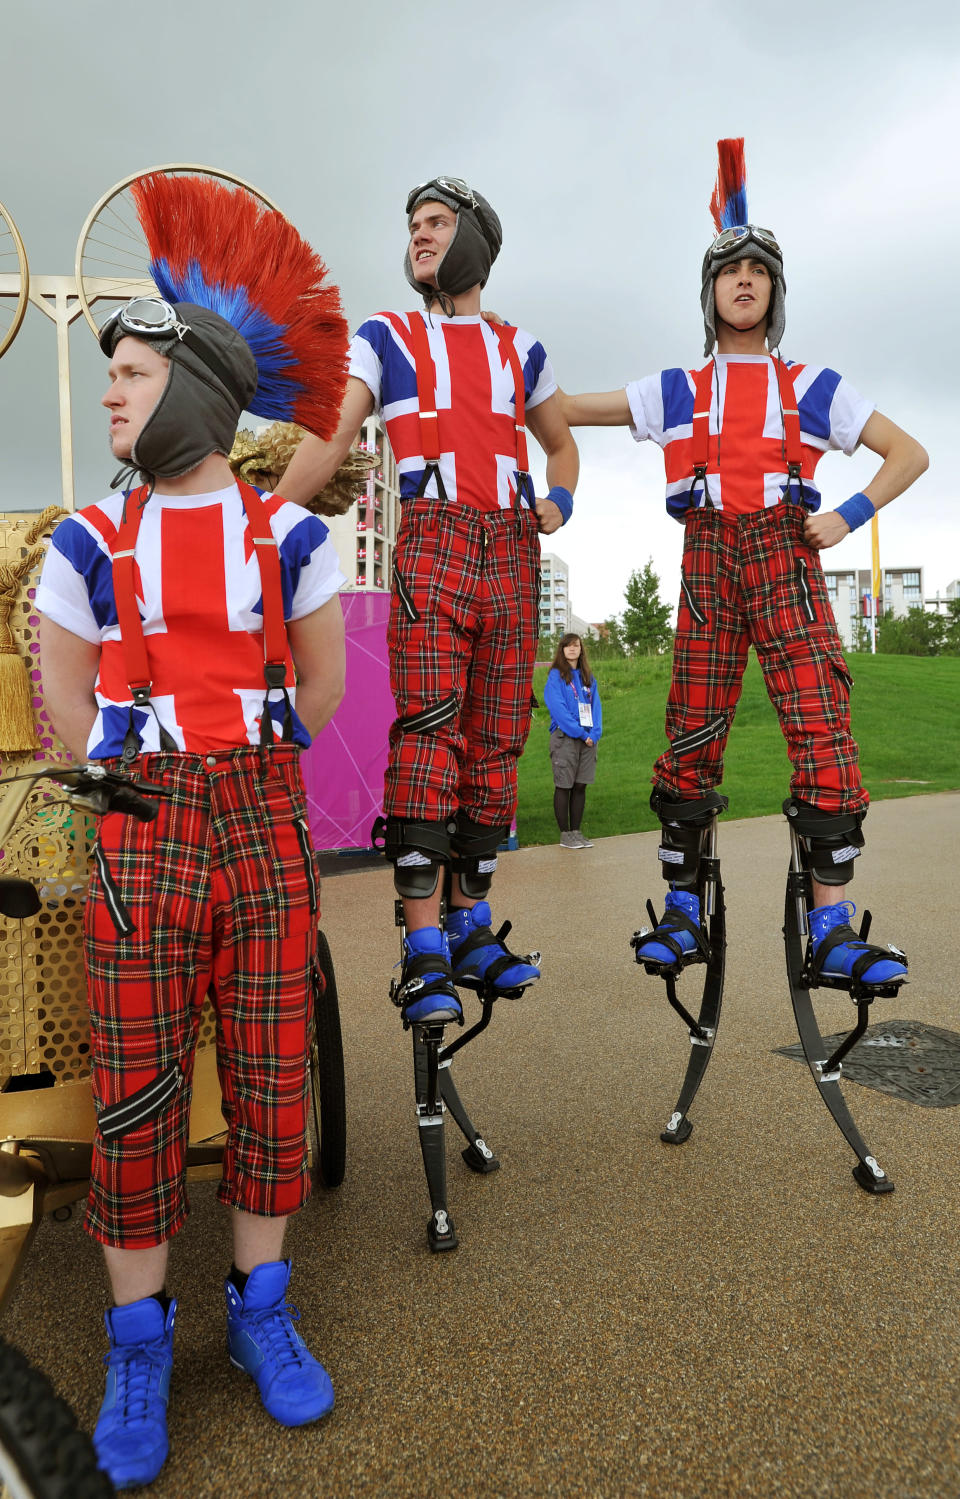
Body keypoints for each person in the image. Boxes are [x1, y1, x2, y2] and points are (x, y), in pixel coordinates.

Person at [36, 173, 349, 1490]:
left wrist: (245, 761)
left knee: (277, 1077)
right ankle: (140, 1336)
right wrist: (128, 776)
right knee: (139, 1090)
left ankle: (262, 1307)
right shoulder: (87, 539)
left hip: (262, 828)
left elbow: (323, 688)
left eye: (128, 370)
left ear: (197, 387)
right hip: (141, 836)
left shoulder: (290, 535)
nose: (110, 391)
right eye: (105, 372)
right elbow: (62, 702)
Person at [557, 139, 927, 985]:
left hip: (787, 557)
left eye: (761, 269)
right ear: (710, 292)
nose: (746, 279)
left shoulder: (812, 384)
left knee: (823, 730)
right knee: (690, 731)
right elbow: (574, 407)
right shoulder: (680, 388)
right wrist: (507, 379)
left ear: (777, 291)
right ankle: (684, 910)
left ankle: (832, 927)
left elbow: (908, 452)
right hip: (708, 559)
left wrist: (847, 514)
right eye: (731, 270)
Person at [279, 175, 579, 1024]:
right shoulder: (387, 336)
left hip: (512, 546)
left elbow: (559, 444)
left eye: (437, 223)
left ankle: (473, 921)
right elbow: (334, 432)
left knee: (496, 735)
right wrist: (264, 516)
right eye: (412, 224)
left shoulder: (524, 347)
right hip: (438, 534)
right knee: (428, 728)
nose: (418, 234)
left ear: (477, 238)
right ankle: (422, 945)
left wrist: (560, 499)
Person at [544, 632, 602, 849]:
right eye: (567, 646)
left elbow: (596, 707)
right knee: (564, 785)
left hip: (588, 739)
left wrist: (594, 733)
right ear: (562, 649)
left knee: (580, 785)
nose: (572, 649)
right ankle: (565, 834)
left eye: (575, 646)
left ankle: (576, 832)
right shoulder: (556, 676)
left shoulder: (588, 676)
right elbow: (558, 709)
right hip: (566, 737)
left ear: (580, 649)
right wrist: (580, 733)